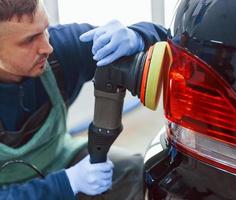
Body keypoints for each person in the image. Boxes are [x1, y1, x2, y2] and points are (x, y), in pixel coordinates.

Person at [0, 0, 167, 199]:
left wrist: (138, 36)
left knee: (129, 168)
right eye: (29, 40)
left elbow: (172, 39)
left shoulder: (59, 49)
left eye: (45, 29)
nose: (47, 47)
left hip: (58, 157)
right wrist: (66, 183)